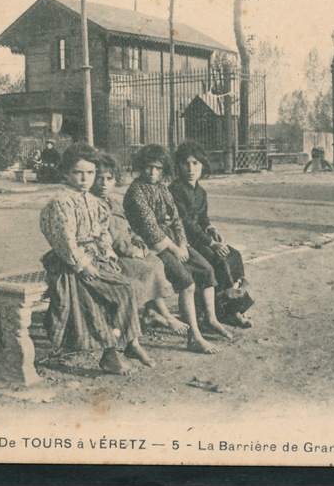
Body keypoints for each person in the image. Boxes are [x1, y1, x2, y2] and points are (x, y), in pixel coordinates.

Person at [39, 143, 154, 375]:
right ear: (65, 173)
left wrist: (108, 254)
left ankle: (126, 347)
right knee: (117, 292)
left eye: (90, 173)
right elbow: (64, 239)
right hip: (68, 263)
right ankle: (116, 352)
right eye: (78, 172)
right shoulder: (61, 201)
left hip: (96, 257)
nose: (85, 178)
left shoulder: (93, 201)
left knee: (128, 286)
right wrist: (82, 264)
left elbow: (103, 233)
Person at [123, 144, 233, 354]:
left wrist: (182, 244)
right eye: (148, 167)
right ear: (140, 167)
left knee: (206, 270)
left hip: (174, 243)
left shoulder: (163, 189)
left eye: (158, 168)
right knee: (186, 282)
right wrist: (174, 248)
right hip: (152, 246)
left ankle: (210, 318)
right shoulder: (136, 192)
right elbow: (150, 228)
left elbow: (176, 220)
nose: (153, 172)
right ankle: (194, 336)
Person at [91, 154, 187, 335]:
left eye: (109, 179)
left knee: (155, 261)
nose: (104, 183)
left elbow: (128, 228)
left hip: (127, 249)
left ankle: (152, 312)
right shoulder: (93, 203)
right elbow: (108, 240)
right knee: (147, 268)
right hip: (111, 255)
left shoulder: (113, 202)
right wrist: (131, 250)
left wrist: (140, 244)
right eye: (99, 178)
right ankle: (165, 315)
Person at [170, 142, 254, 330]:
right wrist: (211, 243)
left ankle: (234, 310)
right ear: (179, 166)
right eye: (186, 163)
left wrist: (212, 231)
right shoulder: (175, 190)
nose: (191, 168)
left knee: (233, 255)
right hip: (183, 239)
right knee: (215, 259)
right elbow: (185, 223)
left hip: (201, 237)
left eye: (196, 163)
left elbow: (203, 219)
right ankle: (217, 313)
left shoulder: (201, 192)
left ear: (202, 166)